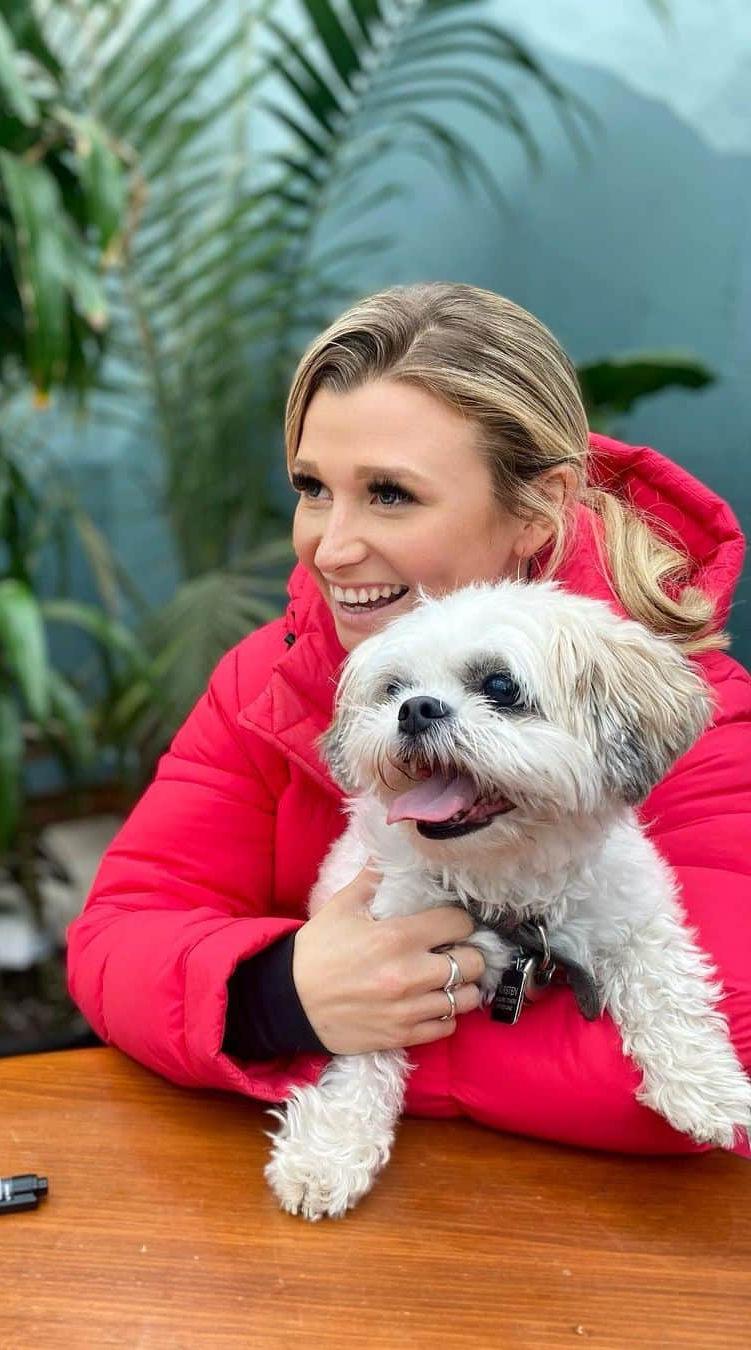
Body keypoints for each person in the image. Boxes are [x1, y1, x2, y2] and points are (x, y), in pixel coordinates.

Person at [67, 283, 751, 1156]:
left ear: (538, 506)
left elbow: (705, 1071)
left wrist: (347, 1032)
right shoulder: (266, 677)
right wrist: (279, 994)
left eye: (390, 494)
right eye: (314, 489)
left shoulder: (695, 711)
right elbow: (117, 939)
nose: (331, 543)